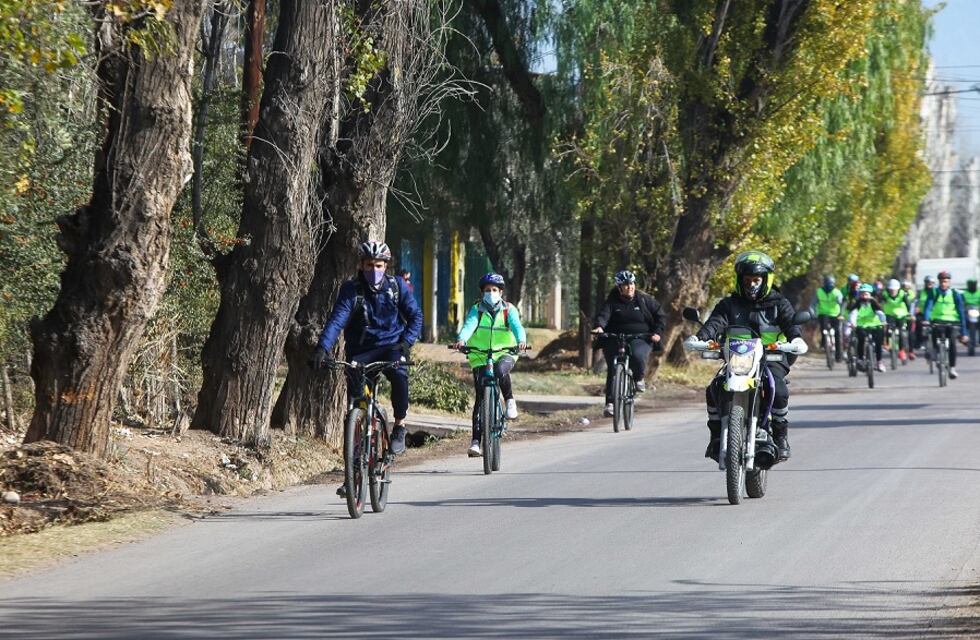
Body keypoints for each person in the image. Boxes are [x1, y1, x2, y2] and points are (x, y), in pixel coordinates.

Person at [684, 251, 807, 462]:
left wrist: (795, 340)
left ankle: (780, 434)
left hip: (771, 357)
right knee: (714, 388)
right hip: (738, 358)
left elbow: (791, 324)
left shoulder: (779, 303)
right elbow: (715, 323)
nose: (751, 285)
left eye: (756, 280)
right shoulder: (729, 304)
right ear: (740, 280)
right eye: (747, 280)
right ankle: (715, 435)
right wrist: (699, 337)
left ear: (766, 280)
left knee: (778, 388)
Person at [313, 241, 423, 462]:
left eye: (379, 265)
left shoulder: (397, 286)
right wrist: (322, 348)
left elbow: (415, 317)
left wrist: (406, 343)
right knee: (357, 401)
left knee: (400, 375)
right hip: (361, 351)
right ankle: (353, 465)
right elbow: (337, 321)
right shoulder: (351, 289)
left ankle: (400, 425)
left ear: (387, 266)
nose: (374, 270)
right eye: (370, 265)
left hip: (392, 346)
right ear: (361, 266)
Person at [452, 273, 528, 457]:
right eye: (487, 290)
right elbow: (469, 325)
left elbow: (517, 327)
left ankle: (509, 401)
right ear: (482, 292)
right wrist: (462, 339)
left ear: (501, 292)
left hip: (505, 352)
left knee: (502, 370)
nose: (491, 293)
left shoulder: (508, 310)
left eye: (494, 290)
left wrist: (521, 340)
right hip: (480, 355)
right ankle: (476, 441)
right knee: (480, 396)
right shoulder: (477, 309)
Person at [592, 270, 666, 417]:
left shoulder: (644, 300)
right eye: (625, 285)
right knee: (613, 368)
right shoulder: (612, 302)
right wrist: (599, 327)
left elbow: (660, 316)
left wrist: (657, 333)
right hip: (615, 337)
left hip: (641, 337)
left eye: (631, 284)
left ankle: (639, 378)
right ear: (619, 287)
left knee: (638, 356)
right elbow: (603, 316)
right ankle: (610, 404)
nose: (629, 287)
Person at [923, 270, 968, 379]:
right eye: (942, 281)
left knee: (952, 342)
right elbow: (928, 307)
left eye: (946, 281)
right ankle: (935, 352)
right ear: (939, 282)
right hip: (937, 320)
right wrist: (926, 319)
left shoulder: (955, 294)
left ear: (949, 282)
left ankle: (952, 368)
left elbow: (961, 312)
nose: (944, 284)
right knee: (934, 333)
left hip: (952, 321)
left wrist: (964, 332)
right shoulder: (934, 292)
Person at [848, 283, 887, 373]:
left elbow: (880, 312)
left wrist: (883, 321)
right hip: (861, 325)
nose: (864, 296)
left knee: (878, 342)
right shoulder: (858, 303)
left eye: (866, 294)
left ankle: (879, 362)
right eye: (862, 294)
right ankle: (861, 359)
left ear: (870, 295)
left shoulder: (873, 302)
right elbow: (853, 313)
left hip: (874, 325)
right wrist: (853, 323)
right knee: (861, 339)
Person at [881, 278, 912, 362]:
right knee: (886, 328)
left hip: (901, 315)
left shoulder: (902, 294)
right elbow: (880, 303)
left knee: (902, 332)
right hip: (889, 314)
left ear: (898, 289)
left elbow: (908, 304)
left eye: (894, 290)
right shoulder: (885, 294)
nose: (892, 292)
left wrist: (910, 313)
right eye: (891, 290)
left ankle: (902, 350)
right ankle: (886, 343)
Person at [814, 275, 844, 362]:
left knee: (837, 333)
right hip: (822, 314)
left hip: (835, 315)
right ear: (824, 283)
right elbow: (813, 304)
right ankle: (824, 344)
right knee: (823, 328)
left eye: (831, 283)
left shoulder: (837, 292)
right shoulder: (819, 291)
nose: (830, 285)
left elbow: (841, 304)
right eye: (828, 283)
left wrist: (841, 314)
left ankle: (838, 355)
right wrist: (813, 314)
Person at [912, 275, 937, 352]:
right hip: (922, 313)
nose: (929, 284)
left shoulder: (936, 292)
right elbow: (915, 302)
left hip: (934, 314)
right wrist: (913, 312)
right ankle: (919, 342)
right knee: (918, 324)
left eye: (931, 283)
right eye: (928, 282)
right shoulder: (921, 292)